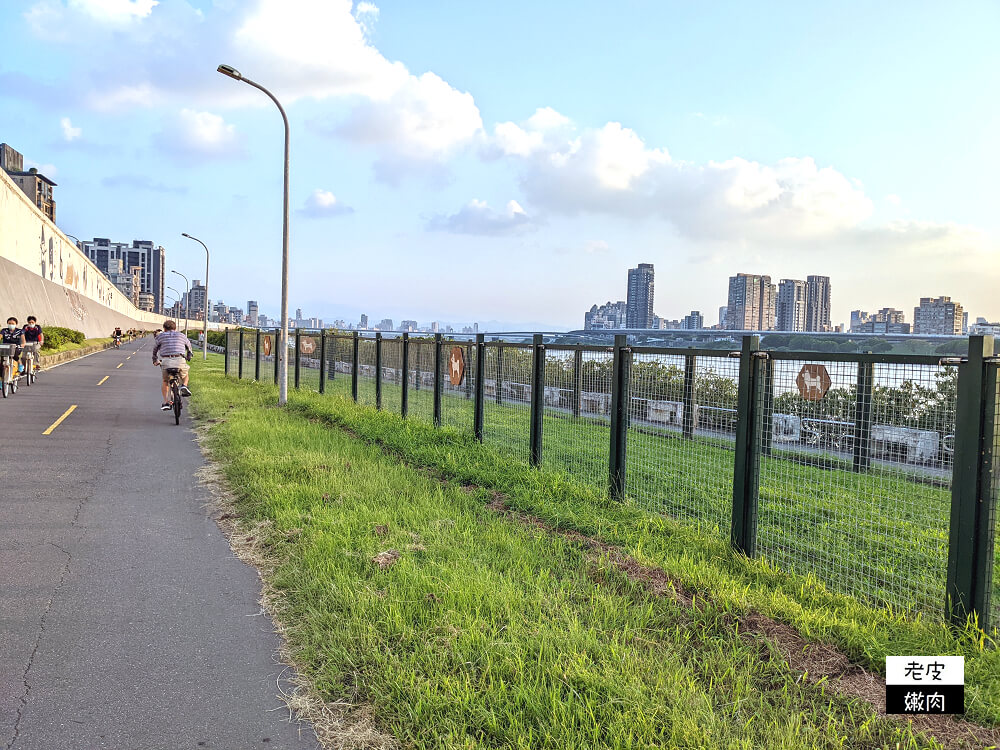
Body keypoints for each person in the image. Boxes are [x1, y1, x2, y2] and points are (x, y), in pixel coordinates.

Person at [152, 320, 193, 410]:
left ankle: (166, 402)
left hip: (166, 361)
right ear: (175, 328)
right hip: (179, 359)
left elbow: (155, 349)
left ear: (164, 329)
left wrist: (155, 359)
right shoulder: (182, 335)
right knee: (185, 374)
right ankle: (184, 386)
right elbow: (189, 347)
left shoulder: (160, 336)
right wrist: (189, 355)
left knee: (165, 381)